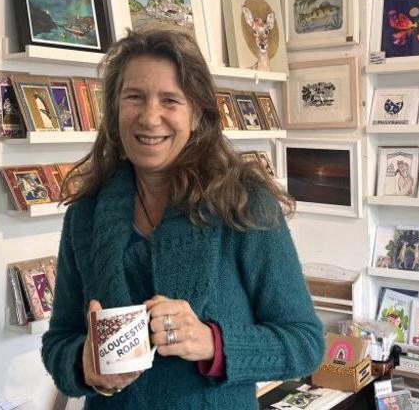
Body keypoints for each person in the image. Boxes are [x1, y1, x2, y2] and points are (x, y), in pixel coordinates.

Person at [41, 29, 324, 409]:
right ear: (114, 109)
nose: (149, 117)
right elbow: (59, 340)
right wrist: (85, 365)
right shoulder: (85, 215)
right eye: (134, 98)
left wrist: (212, 342)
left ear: (197, 114)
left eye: (170, 100)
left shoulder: (242, 203)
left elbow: (305, 343)